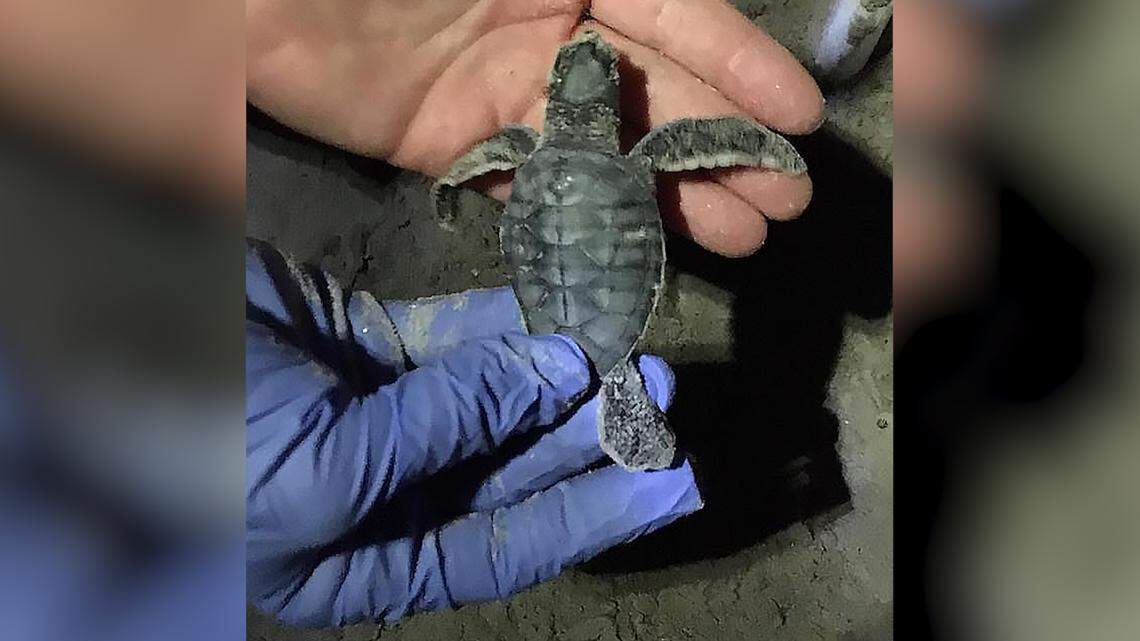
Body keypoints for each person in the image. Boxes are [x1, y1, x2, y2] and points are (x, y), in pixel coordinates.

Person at [246, 0, 823, 628]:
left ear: (555, 98)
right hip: (606, 305)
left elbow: (472, 164)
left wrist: (448, 191)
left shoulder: (523, 146)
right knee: (593, 391)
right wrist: (769, 149)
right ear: (605, 105)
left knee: (527, 399)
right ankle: (617, 399)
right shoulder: (643, 150)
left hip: (541, 302)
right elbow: (703, 137)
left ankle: (604, 406)